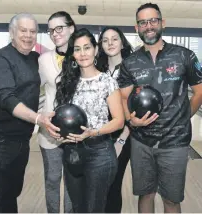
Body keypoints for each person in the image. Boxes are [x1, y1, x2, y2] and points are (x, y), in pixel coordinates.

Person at [118, 3, 202, 213]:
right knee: (145, 194)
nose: (148, 26)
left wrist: (183, 118)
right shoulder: (130, 62)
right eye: (143, 22)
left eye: (153, 20)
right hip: (141, 142)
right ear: (137, 28)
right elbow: (123, 97)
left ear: (162, 23)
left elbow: (199, 91)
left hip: (175, 143)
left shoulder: (185, 56)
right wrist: (131, 120)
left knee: (171, 200)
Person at [0, 13, 55, 213]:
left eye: (32, 31)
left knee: (12, 192)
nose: (28, 36)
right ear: (12, 32)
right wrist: (38, 118)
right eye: (23, 30)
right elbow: (8, 99)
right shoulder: (0, 60)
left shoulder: (35, 59)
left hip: (20, 138)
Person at [54, 28, 125, 213]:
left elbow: (119, 121)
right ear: (73, 54)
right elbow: (61, 119)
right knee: (77, 208)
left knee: (94, 209)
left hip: (100, 152)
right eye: (77, 49)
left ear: (95, 49)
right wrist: (60, 135)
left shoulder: (107, 81)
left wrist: (93, 132)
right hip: (72, 152)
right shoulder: (68, 82)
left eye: (87, 47)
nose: (82, 53)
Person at [37, 11, 76, 213]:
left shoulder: (84, 56)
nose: (54, 33)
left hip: (76, 133)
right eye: (51, 30)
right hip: (49, 132)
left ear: (71, 28)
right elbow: (35, 92)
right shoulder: (43, 60)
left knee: (71, 182)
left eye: (59, 28)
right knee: (52, 179)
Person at [97, 26, 133, 213]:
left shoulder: (131, 67)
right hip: (99, 134)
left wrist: (122, 138)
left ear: (122, 42)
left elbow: (133, 107)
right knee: (99, 185)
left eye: (114, 39)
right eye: (105, 40)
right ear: (101, 45)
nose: (110, 43)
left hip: (123, 134)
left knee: (113, 182)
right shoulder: (97, 69)